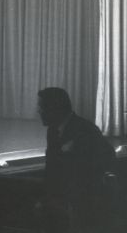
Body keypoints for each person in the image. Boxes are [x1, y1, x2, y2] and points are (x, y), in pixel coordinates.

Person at [37, 87, 116, 232]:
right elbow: (52, 168)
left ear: (55, 108)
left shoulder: (85, 129)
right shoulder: (52, 130)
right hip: (61, 201)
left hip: (82, 203)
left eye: (42, 107)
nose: (39, 112)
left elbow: (107, 158)